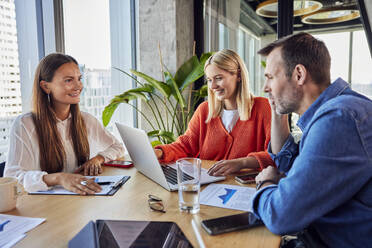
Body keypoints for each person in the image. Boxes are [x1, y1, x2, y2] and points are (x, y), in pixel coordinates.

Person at [252, 32, 372, 247]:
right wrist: (276, 106)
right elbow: (287, 164)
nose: (265, 87)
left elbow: (281, 216)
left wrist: (265, 183)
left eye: (270, 77)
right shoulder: (334, 112)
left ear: (298, 74)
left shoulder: (339, 118)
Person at [4, 53, 125, 195]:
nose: (78, 86)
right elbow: (13, 177)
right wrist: (59, 178)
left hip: (77, 202)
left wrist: (98, 159)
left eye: (79, 79)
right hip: (41, 205)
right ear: (45, 86)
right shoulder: (25, 124)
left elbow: (118, 147)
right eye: (68, 80)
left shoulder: (85, 120)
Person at [154, 49, 273, 176]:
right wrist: (158, 152)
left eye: (219, 78)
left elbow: (276, 155)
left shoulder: (263, 108)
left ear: (238, 75)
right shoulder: (204, 110)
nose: (213, 86)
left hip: (244, 188)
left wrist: (242, 163)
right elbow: (185, 146)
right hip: (209, 186)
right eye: (210, 80)